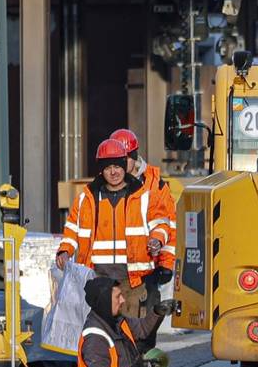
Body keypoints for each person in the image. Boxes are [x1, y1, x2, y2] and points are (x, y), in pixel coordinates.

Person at [55, 132, 176, 321]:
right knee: (97, 331)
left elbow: (162, 224)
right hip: (97, 281)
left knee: (133, 332)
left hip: (133, 282)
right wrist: (65, 250)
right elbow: (72, 229)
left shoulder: (144, 195)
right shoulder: (87, 198)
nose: (113, 172)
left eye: (118, 166)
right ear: (101, 170)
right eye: (108, 167)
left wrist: (158, 244)